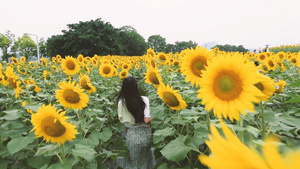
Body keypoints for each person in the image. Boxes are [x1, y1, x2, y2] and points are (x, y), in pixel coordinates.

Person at [116, 76, 153, 169]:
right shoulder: (144, 99)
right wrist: (151, 119)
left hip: (132, 136)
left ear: (123, 88)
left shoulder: (121, 103)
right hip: (146, 135)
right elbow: (146, 120)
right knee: (144, 160)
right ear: (136, 86)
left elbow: (124, 123)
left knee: (132, 163)